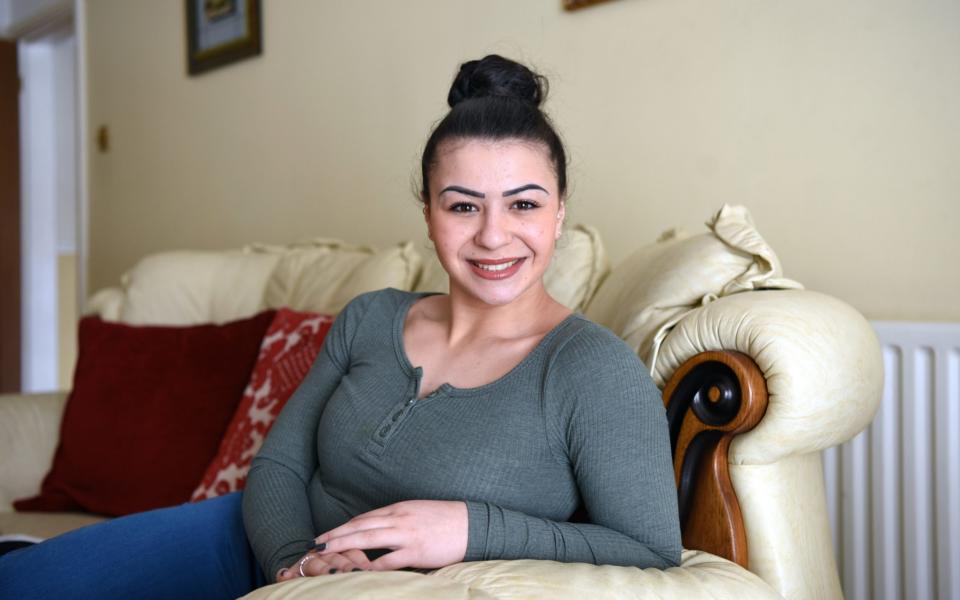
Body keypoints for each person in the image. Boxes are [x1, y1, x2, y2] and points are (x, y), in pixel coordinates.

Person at [0, 55, 680, 599]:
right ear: (428, 214)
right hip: (247, 544)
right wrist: (294, 567)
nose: (494, 237)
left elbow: (649, 547)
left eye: (523, 204)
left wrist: (472, 529)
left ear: (559, 213)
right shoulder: (371, 317)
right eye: (463, 206)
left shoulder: (593, 370)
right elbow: (281, 463)